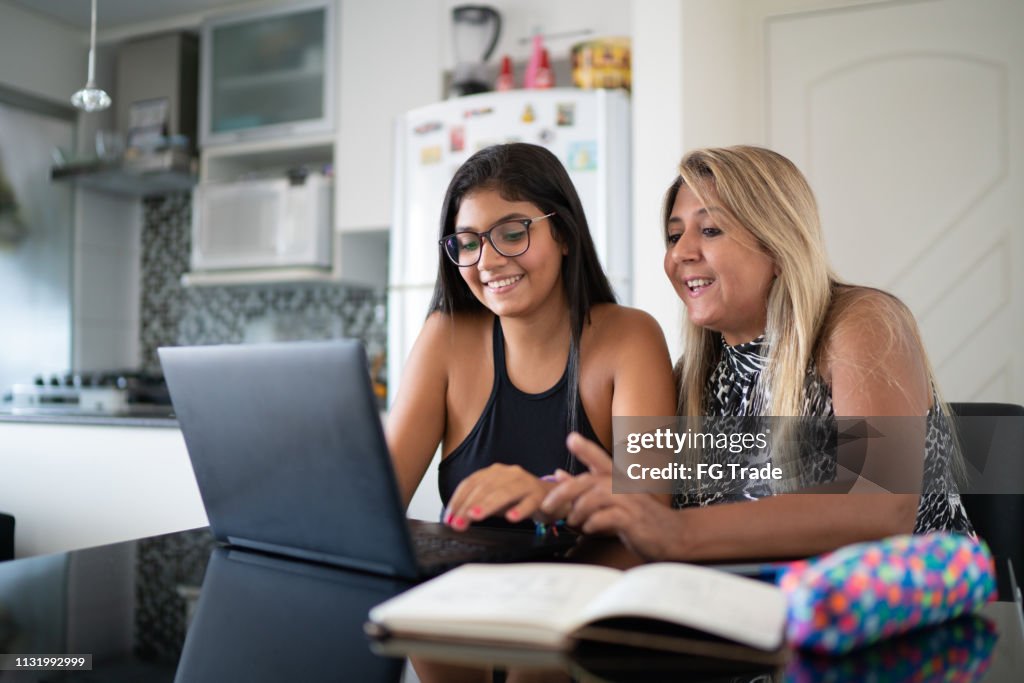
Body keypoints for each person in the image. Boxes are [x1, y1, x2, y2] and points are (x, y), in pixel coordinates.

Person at [542, 145, 974, 561]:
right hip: (749, 617)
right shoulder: (691, 379)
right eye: (675, 235)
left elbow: (881, 504)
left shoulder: (860, 322)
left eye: (710, 230)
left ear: (777, 243)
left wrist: (676, 533)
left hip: (900, 612)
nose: (680, 253)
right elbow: (641, 527)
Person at [386, 143, 675, 531]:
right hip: (465, 586)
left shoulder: (632, 338)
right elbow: (380, 503)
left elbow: (652, 514)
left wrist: (550, 498)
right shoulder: (444, 338)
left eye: (511, 233)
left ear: (564, 235)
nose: (487, 261)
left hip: (589, 586)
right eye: (469, 242)